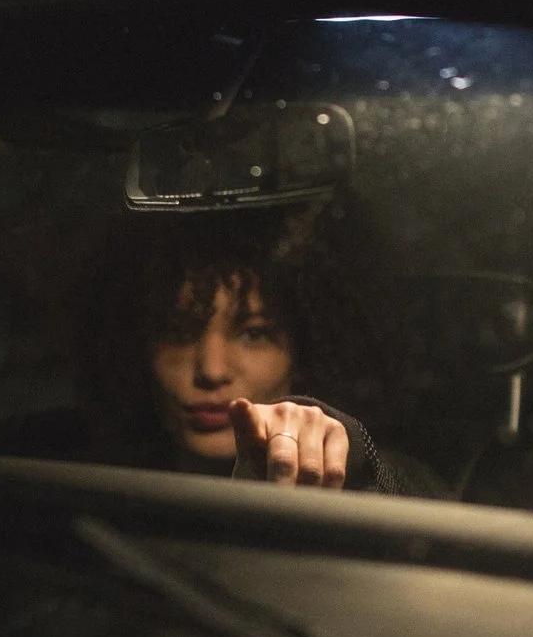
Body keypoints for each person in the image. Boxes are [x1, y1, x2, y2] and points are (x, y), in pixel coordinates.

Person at [73, 203, 441, 496]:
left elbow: (416, 499)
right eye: (179, 333)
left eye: (253, 334)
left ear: (305, 348)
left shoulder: (388, 474)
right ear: (135, 341)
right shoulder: (81, 485)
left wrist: (350, 454)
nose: (212, 370)